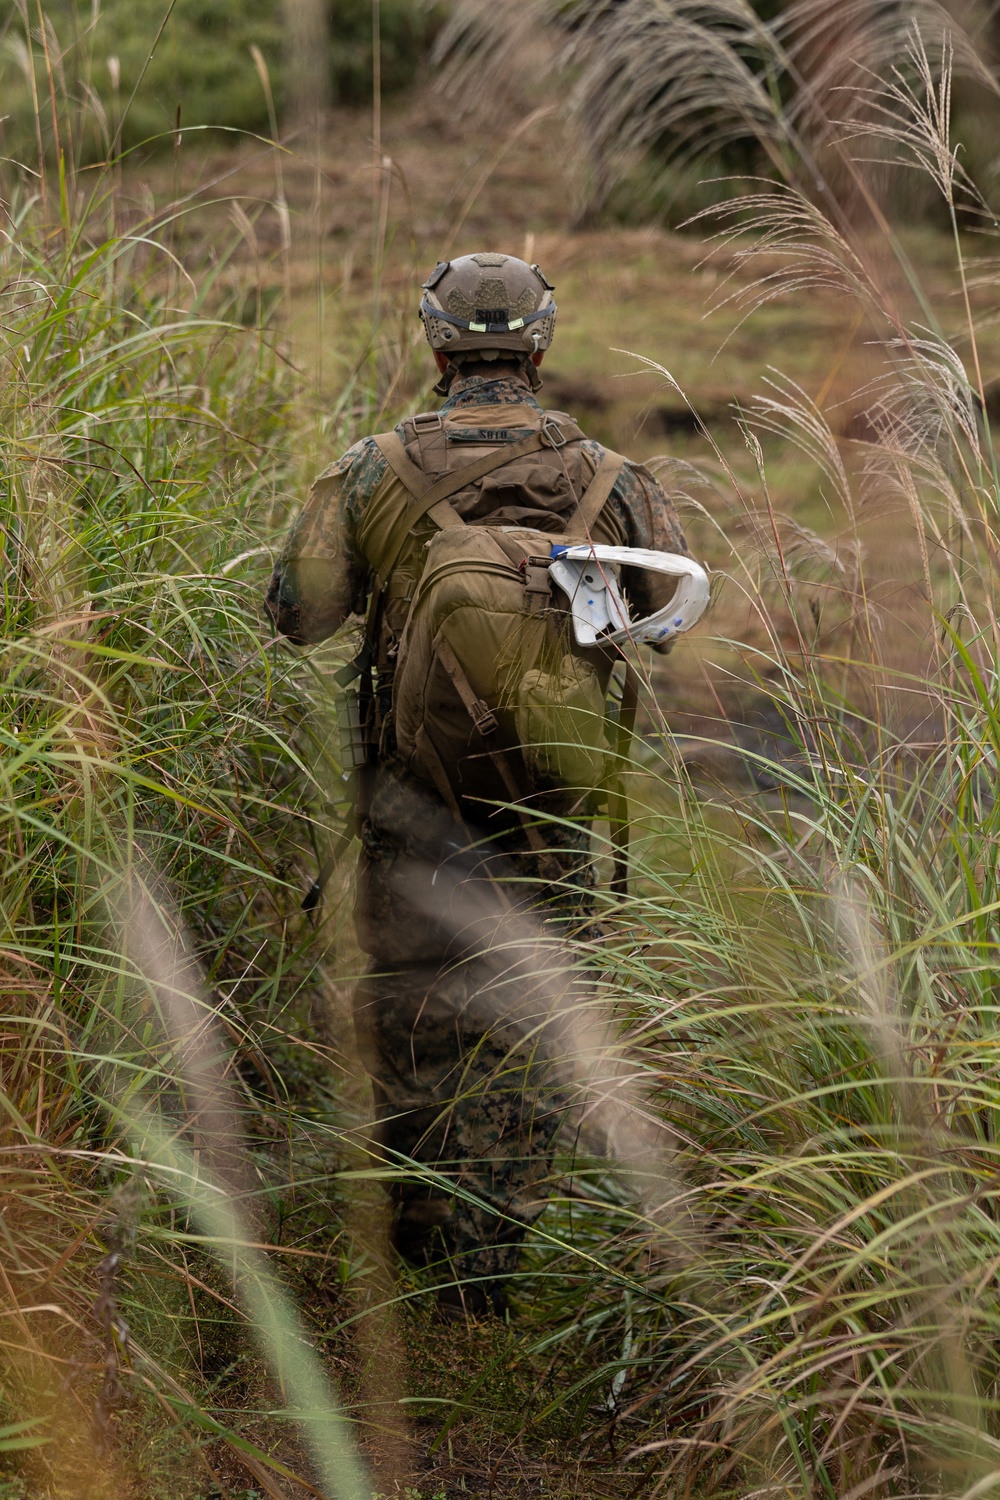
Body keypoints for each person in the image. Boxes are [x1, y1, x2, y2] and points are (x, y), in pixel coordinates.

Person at [266, 252, 688, 1318]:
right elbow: (668, 617)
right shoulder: (610, 478)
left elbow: (294, 612)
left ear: (436, 345)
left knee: (409, 1011)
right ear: (539, 345)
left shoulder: (376, 469)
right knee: (532, 1017)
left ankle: (416, 1231)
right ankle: (487, 1267)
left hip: (412, 805)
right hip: (554, 806)